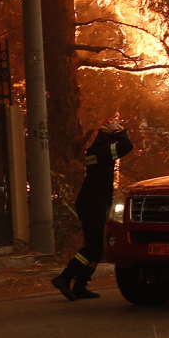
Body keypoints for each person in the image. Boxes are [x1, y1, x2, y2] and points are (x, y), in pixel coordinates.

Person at [51, 118, 134, 301]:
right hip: (92, 203)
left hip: (92, 201)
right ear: (110, 134)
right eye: (116, 133)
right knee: (94, 246)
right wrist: (117, 132)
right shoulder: (105, 150)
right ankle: (64, 277)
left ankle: (80, 286)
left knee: (96, 247)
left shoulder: (96, 150)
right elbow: (127, 146)